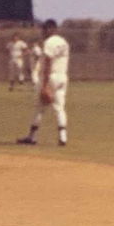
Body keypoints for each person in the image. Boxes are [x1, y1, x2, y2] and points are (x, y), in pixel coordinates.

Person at [18, 18, 70, 147]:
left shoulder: (49, 42)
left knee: (40, 108)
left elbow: (48, 62)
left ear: (50, 29)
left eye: (44, 29)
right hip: (62, 77)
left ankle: (32, 137)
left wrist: (45, 86)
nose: (43, 32)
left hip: (51, 77)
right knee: (60, 107)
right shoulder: (64, 42)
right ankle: (63, 137)